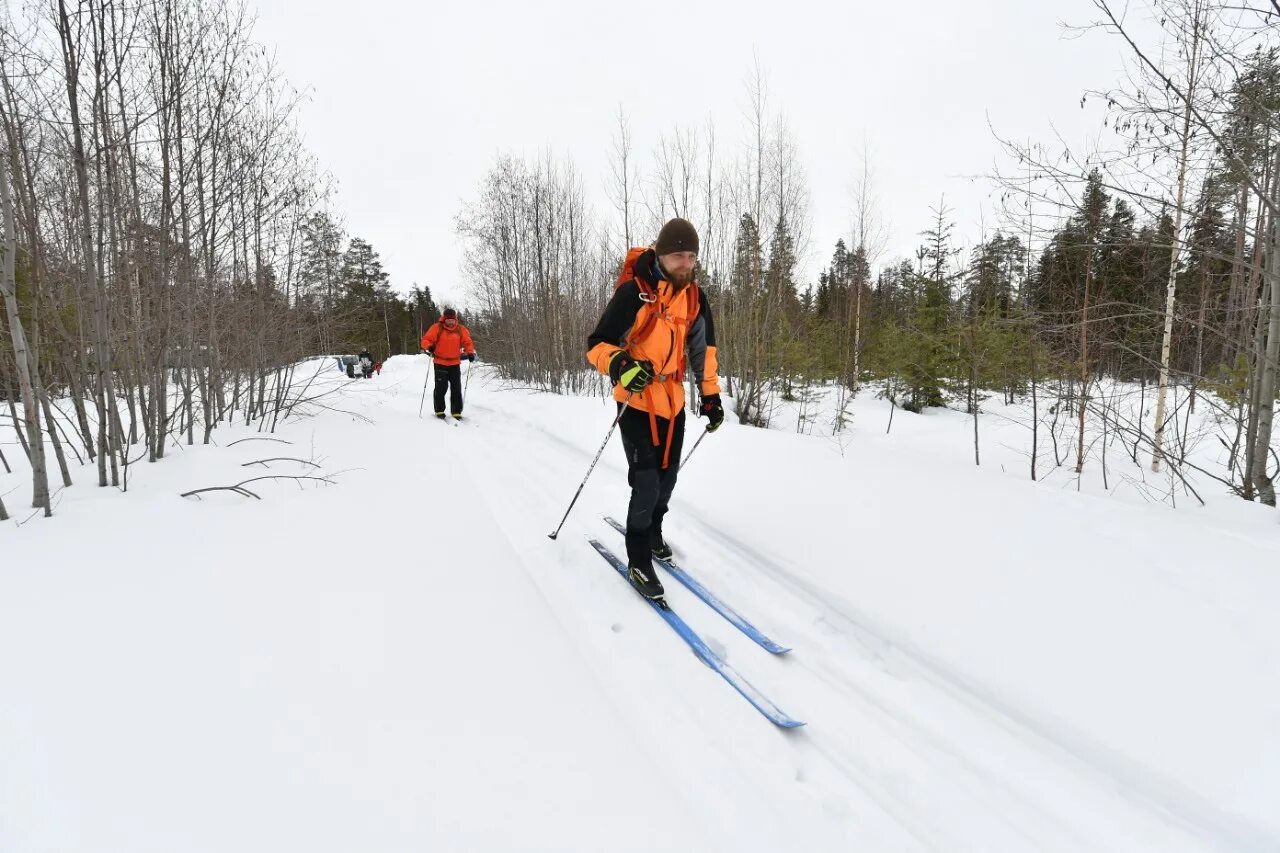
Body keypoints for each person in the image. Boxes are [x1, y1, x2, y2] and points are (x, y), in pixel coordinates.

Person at [586, 218, 724, 602]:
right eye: (679, 255)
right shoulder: (635, 292)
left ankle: (653, 532)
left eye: (692, 256)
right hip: (635, 400)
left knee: (666, 481)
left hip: (672, 400)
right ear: (662, 254)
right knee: (646, 481)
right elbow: (596, 344)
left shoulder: (695, 297)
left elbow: (704, 352)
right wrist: (619, 365)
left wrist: (710, 397)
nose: (686, 263)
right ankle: (637, 556)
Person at [420, 308, 476, 418]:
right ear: (444, 319)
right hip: (440, 362)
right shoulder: (436, 328)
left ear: (455, 319)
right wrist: (429, 347)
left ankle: (456, 411)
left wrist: (470, 353)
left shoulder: (460, 329)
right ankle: (439, 410)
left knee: (456, 388)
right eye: (448, 320)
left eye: (452, 320)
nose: (450, 322)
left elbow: (468, 342)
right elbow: (425, 340)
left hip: (455, 362)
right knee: (441, 387)